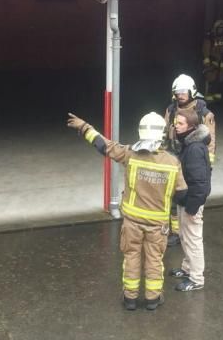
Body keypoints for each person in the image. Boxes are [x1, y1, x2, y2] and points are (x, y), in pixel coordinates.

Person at [67, 111, 187, 311]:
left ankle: (130, 299)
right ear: (163, 134)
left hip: (132, 222)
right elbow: (182, 195)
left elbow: (104, 146)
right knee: (154, 261)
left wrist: (83, 126)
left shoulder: (130, 154)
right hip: (158, 225)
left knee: (131, 257)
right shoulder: (172, 162)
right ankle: (153, 299)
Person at [163, 74, 216, 247]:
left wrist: (208, 167)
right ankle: (176, 232)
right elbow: (165, 134)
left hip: (192, 161)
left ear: (191, 91)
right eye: (177, 91)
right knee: (172, 197)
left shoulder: (204, 113)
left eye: (183, 91)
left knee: (188, 195)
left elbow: (211, 142)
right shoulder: (171, 110)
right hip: (174, 158)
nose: (180, 95)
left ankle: (186, 231)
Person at [169, 108, 211, 292]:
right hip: (184, 200)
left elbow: (201, 184)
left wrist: (192, 208)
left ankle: (196, 279)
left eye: (180, 124)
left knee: (193, 240)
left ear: (191, 127)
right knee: (185, 237)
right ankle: (187, 269)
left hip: (190, 203)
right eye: (175, 123)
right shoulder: (188, 143)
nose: (176, 126)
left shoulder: (194, 149)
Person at [202, 19, 223, 102]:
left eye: (222, 29)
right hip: (212, 62)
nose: (221, 30)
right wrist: (207, 63)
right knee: (211, 78)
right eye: (219, 28)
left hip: (222, 62)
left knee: (221, 79)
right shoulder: (210, 38)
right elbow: (206, 50)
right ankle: (208, 94)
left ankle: (217, 93)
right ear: (215, 28)